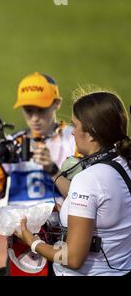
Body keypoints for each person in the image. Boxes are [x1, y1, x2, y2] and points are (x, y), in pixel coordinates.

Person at [16, 91, 131, 276]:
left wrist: (32, 242)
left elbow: (73, 258)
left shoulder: (88, 179)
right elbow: (96, 200)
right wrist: (53, 171)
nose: (73, 132)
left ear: (91, 134)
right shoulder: (123, 161)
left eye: (75, 125)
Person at [0, 72, 75, 276]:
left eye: (42, 109)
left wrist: (52, 169)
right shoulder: (11, 146)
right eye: (29, 110)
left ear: (57, 103)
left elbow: (88, 195)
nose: (35, 118)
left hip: (65, 242)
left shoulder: (74, 140)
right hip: (23, 248)